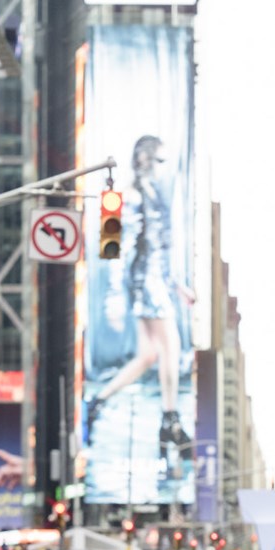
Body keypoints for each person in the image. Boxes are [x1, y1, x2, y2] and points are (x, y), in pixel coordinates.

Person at [83, 135, 195, 464]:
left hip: (156, 281)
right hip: (145, 283)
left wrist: (179, 286)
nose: (162, 168)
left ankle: (99, 400)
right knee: (170, 346)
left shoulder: (153, 197)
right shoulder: (129, 198)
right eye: (157, 160)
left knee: (148, 355)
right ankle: (169, 419)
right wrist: (114, 299)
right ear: (143, 160)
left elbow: (159, 249)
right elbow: (115, 248)